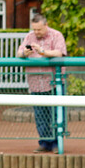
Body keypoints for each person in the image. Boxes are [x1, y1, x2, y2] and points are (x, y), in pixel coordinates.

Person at [16, 14, 67, 153]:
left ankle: (57, 143)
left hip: (53, 82)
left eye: (39, 29)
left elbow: (59, 52)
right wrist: (24, 53)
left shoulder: (56, 35)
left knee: (55, 113)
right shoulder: (29, 36)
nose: (36, 32)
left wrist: (43, 52)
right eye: (34, 29)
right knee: (40, 114)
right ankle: (44, 142)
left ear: (46, 25)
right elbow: (19, 53)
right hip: (35, 82)